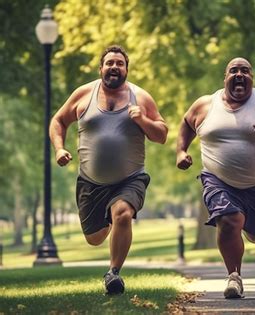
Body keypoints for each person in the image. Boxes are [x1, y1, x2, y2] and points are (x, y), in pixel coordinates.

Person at [49, 45, 168, 295]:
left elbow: (161, 135)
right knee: (94, 238)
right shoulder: (83, 94)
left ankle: (113, 273)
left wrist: (143, 120)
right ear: (101, 68)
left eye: (119, 63)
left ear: (126, 69)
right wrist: (59, 148)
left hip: (130, 178)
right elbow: (58, 121)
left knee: (123, 213)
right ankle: (107, 221)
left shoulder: (141, 97)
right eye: (110, 63)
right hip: (91, 182)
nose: (114, 67)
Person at [176, 57, 255, 299]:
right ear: (225, 78)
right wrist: (181, 150)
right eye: (234, 70)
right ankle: (234, 277)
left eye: (245, 71)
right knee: (230, 220)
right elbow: (187, 123)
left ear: (252, 78)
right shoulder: (205, 105)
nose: (240, 74)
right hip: (218, 179)